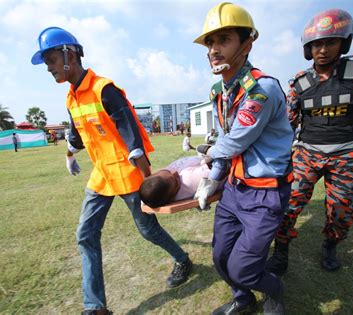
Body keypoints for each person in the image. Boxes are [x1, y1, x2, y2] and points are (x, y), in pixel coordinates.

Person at [31, 27, 192, 315]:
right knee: (86, 234)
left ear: (69, 54)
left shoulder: (104, 89)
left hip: (128, 173)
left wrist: (149, 182)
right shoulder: (71, 99)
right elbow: (77, 137)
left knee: (148, 230)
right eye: (47, 63)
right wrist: (69, 155)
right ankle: (95, 307)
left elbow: (133, 141)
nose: (49, 68)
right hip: (101, 176)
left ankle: (182, 258)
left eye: (52, 60)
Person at [266, 9, 353, 276]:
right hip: (307, 153)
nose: (323, 50)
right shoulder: (300, 83)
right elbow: (287, 124)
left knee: (342, 210)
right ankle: (281, 250)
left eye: (330, 42)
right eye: (317, 44)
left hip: (348, 155)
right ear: (308, 49)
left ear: (344, 43)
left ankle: (330, 245)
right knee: (287, 203)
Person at [193, 3, 294, 314]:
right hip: (236, 190)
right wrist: (214, 180)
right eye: (210, 42)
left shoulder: (261, 89)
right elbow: (225, 138)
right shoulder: (221, 91)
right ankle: (243, 298)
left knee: (244, 268)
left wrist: (209, 154)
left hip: (265, 194)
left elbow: (236, 140)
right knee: (220, 257)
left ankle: (274, 291)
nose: (213, 50)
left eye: (223, 40)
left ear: (246, 44)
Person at [139, 155, 224, 208]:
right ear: (172, 198)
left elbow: (151, 190)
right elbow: (221, 165)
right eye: (175, 181)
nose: (175, 173)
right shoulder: (188, 180)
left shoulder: (166, 186)